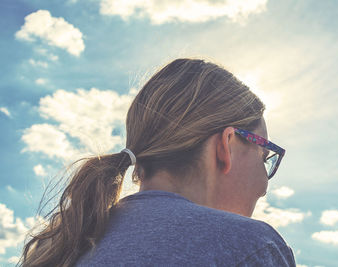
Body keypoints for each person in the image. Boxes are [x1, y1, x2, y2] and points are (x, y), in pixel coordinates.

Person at [21, 58, 296, 266]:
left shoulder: (69, 247)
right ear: (227, 145)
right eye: (265, 154)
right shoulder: (251, 248)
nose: (264, 184)